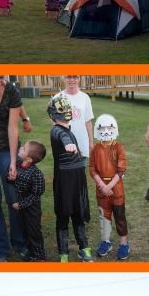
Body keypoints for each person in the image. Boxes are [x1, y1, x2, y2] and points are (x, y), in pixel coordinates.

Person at [0, 75, 26, 261]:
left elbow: (13, 128)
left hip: (8, 149)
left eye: (1, 77)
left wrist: (12, 161)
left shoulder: (11, 91)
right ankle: (0, 250)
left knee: (14, 198)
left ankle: (19, 242)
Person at [48, 96, 93, 262]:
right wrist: (69, 144)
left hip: (77, 180)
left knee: (78, 213)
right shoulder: (57, 131)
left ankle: (84, 249)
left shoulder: (68, 129)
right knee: (63, 215)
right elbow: (61, 135)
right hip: (65, 183)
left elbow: (65, 134)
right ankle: (64, 254)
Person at [89, 114, 130, 261]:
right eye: (102, 128)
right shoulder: (95, 149)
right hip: (102, 190)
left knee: (119, 215)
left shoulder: (119, 147)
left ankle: (124, 244)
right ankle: (106, 241)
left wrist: (110, 186)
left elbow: (121, 170)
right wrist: (102, 185)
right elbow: (92, 169)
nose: (106, 131)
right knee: (104, 217)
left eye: (109, 128)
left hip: (116, 189)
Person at [9, 140, 47, 262]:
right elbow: (12, 181)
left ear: (29, 159)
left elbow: (36, 195)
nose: (20, 148)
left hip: (32, 209)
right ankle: (30, 252)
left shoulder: (36, 174)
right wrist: (10, 178)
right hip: (21, 207)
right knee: (24, 229)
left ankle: (39, 256)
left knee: (34, 231)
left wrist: (21, 204)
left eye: (24, 148)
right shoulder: (19, 166)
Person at [53, 75, 94, 157]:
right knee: (67, 168)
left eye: (75, 77)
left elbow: (88, 121)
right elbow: (55, 124)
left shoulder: (85, 97)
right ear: (63, 79)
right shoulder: (57, 98)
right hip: (65, 142)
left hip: (82, 140)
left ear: (79, 79)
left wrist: (91, 142)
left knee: (81, 168)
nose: (72, 80)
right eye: (68, 77)